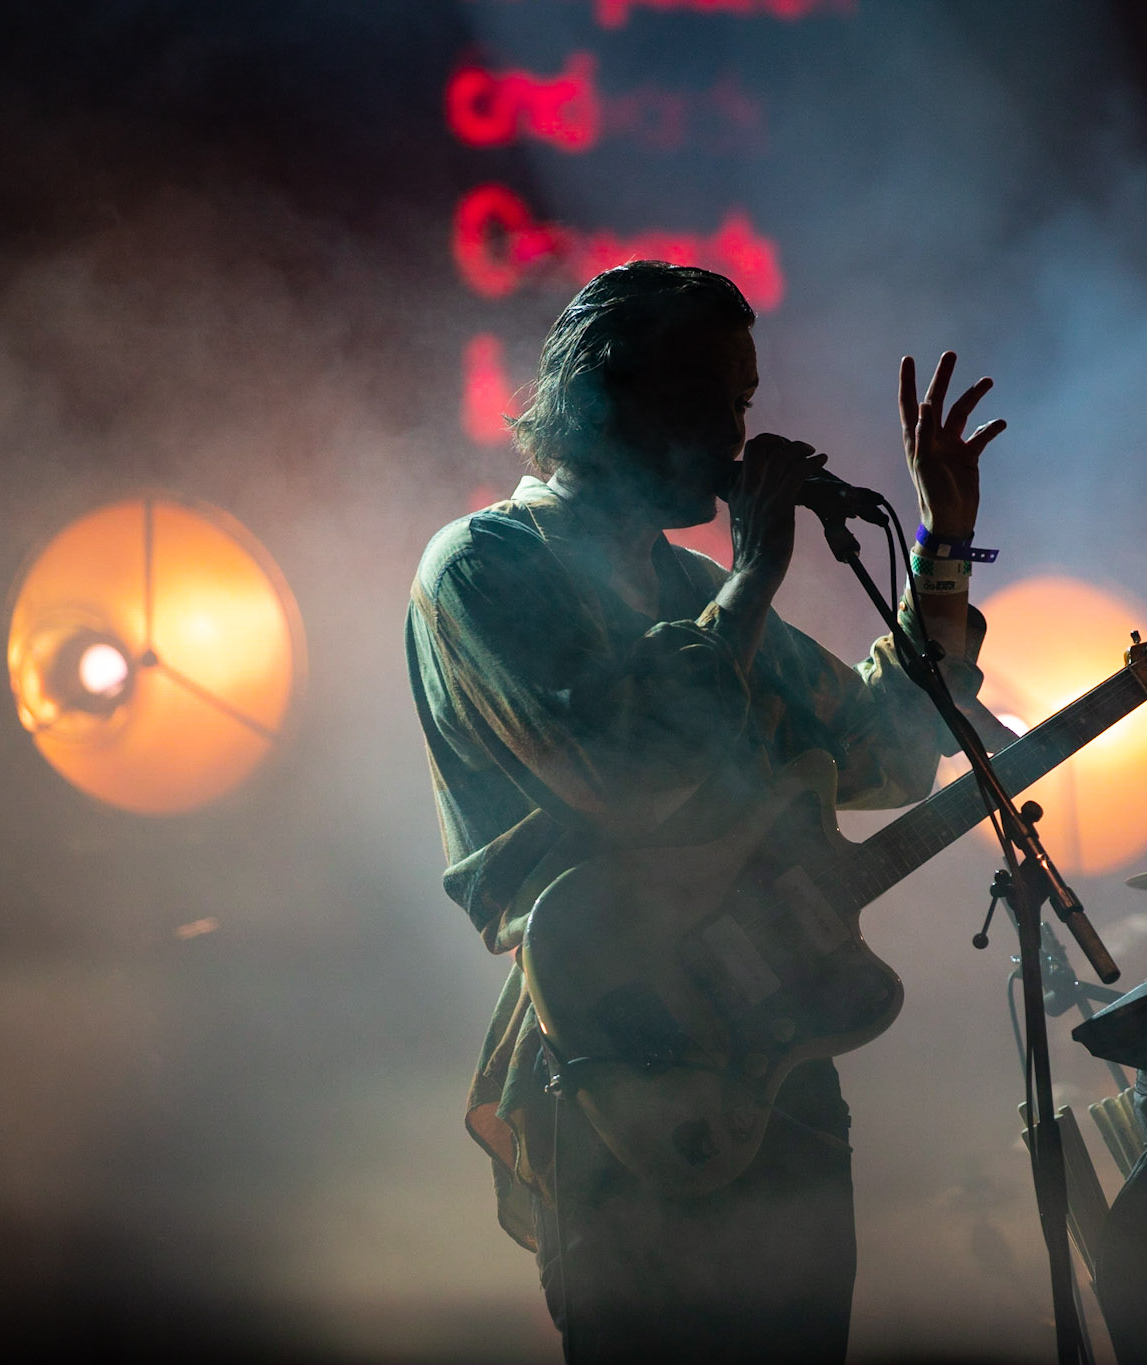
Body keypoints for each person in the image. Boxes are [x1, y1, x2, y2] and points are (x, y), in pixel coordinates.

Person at [405, 260, 1009, 1362]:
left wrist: (943, 541)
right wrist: (754, 574)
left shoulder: (692, 589)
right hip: (618, 1068)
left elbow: (882, 752)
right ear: (608, 395)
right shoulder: (483, 566)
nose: (738, 432)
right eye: (710, 397)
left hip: (775, 1060)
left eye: (744, 400)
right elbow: (625, 773)